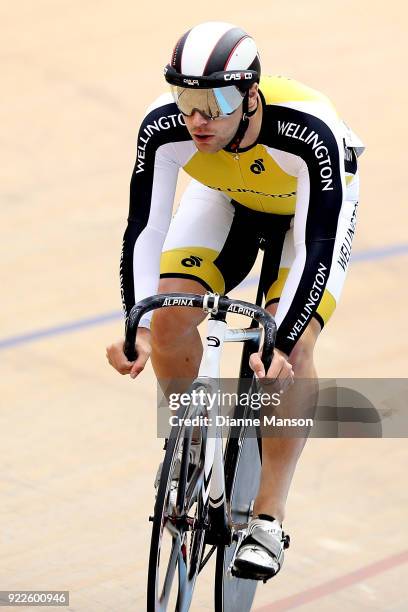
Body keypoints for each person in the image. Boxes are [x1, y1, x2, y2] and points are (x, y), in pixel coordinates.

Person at [106, 21, 364, 582]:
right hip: (227, 199)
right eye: (186, 98)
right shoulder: (164, 129)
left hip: (305, 218)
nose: (197, 118)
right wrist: (141, 325)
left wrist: (286, 338)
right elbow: (144, 230)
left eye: (216, 101)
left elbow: (319, 246)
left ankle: (269, 518)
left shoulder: (309, 130)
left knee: (289, 355)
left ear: (251, 95)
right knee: (168, 312)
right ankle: (190, 440)